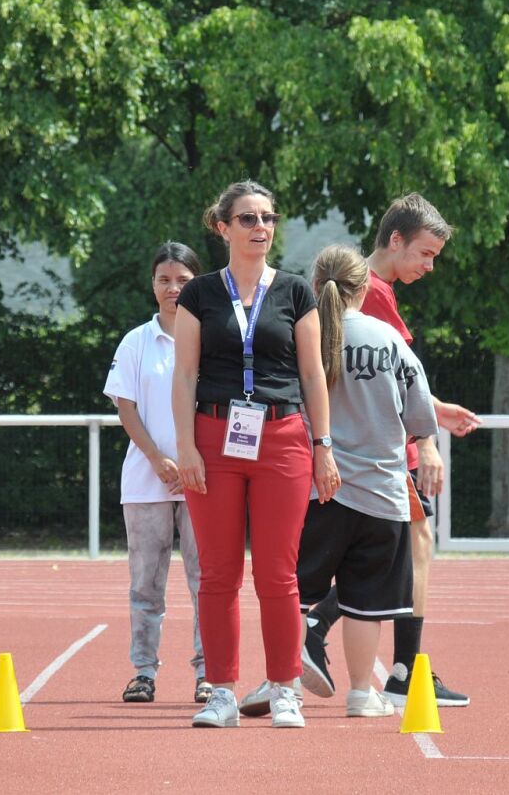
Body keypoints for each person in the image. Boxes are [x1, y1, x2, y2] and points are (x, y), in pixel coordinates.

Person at [295, 193, 480, 711]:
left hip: (362, 453)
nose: (430, 266)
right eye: (425, 253)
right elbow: (394, 376)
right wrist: (428, 436)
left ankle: (388, 660)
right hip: (376, 457)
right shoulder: (368, 297)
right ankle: (394, 666)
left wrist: (437, 414)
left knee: (405, 552)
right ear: (394, 240)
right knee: (402, 555)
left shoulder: (374, 295)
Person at [170, 180, 340, 729]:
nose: (260, 227)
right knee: (218, 573)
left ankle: (285, 687)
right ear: (222, 227)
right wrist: (185, 446)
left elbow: (314, 375)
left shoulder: (295, 292)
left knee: (278, 573)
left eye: (268, 217)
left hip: (283, 436)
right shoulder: (199, 294)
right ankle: (220, 692)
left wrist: (323, 447)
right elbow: (186, 374)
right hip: (214, 437)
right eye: (247, 218)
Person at [298, 245, 438, 718]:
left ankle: (281, 680)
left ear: (316, 287)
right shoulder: (390, 340)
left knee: (298, 589)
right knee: (366, 602)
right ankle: (362, 693)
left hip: (319, 486)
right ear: (364, 289)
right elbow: (419, 417)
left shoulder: (302, 337)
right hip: (382, 493)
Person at [104, 242, 209, 705]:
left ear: (197, 284)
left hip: (203, 479)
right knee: (146, 583)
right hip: (147, 480)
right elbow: (125, 406)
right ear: (152, 284)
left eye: (183, 281)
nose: (173, 289)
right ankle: (143, 671)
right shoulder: (135, 341)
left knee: (206, 581)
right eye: (164, 280)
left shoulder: (212, 338)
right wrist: (157, 459)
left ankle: (209, 673)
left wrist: (189, 459)